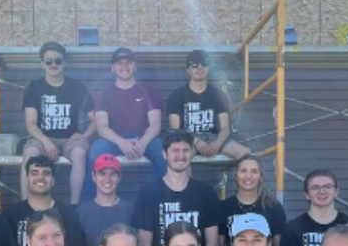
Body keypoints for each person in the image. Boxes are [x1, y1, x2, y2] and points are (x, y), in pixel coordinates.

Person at [131, 131, 222, 246]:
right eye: (175, 151)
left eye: (185, 150)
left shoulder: (206, 192)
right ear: (164, 154)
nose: (181, 156)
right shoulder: (147, 193)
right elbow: (144, 245)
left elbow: (213, 243)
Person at [84, 47, 165, 199]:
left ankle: (164, 202)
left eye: (128, 62)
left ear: (135, 66)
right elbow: (102, 127)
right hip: (114, 140)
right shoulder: (104, 94)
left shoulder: (148, 90)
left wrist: (142, 143)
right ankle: (90, 205)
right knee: (95, 151)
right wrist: (122, 142)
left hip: (144, 138)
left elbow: (155, 123)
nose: (124, 67)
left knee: (164, 152)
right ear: (112, 68)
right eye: (119, 63)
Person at [21, 42, 95, 205]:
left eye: (58, 61)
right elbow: (31, 123)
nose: (53, 64)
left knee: (80, 153)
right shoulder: (34, 87)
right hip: (41, 138)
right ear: (42, 64)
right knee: (29, 154)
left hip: (70, 138)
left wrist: (84, 135)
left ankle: (74, 206)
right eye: (49, 61)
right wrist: (46, 142)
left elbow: (96, 118)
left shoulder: (76, 86)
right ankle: (26, 205)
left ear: (65, 63)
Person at [166, 50, 250, 160]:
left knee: (246, 154)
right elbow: (175, 128)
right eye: (194, 65)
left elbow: (225, 127)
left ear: (209, 68)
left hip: (213, 138)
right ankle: (187, 178)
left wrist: (218, 143)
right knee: (182, 158)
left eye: (204, 64)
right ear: (188, 70)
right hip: (186, 138)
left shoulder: (218, 95)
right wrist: (195, 141)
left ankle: (239, 177)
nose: (200, 68)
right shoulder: (176, 95)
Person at [216, 155, 286, 246]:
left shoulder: (273, 207)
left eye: (254, 171)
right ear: (236, 175)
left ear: (260, 176)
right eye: (244, 171)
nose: (248, 176)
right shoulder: (223, 207)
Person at [76, 154, 134, 246]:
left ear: (119, 177)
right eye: (102, 173)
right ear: (93, 176)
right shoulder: (81, 213)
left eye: (113, 174)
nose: (107, 179)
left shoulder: (131, 210)